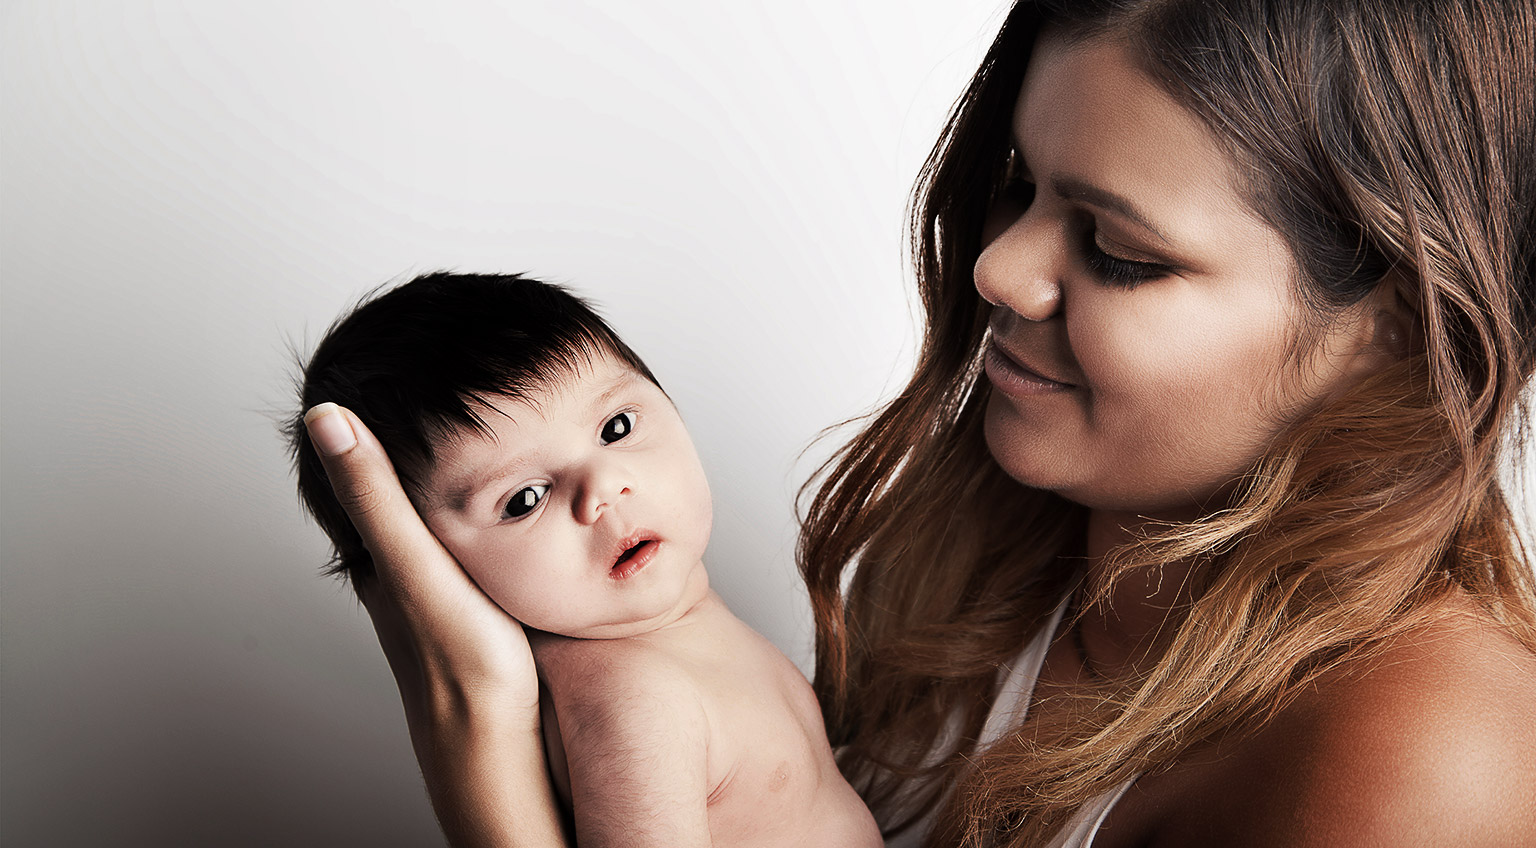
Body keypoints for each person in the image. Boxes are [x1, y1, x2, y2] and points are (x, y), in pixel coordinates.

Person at [302, 0, 1536, 845]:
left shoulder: (1435, 752)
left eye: (1116, 248)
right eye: (1017, 186)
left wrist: (493, 788)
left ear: (1390, 314)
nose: (997, 266)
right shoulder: (1002, 549)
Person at [289, 273, 881, 847]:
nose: (603, 490)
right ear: (425, 571)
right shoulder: (634, 701)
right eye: (524, 499)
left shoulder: (675, 619)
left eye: (616, 427)